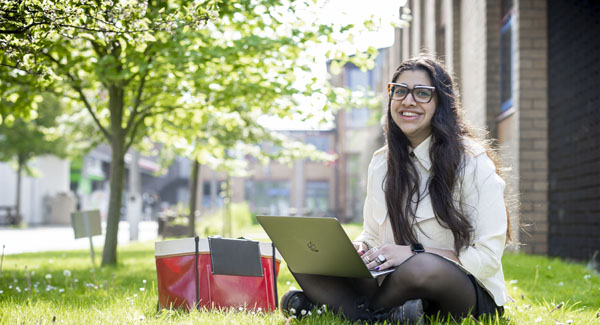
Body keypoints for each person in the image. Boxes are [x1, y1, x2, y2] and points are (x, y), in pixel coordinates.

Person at [279, 56, 511, 323]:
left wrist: (414, 254)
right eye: (399, 91)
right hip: (394, 285)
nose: (408, 101)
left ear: (441, 103)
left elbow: (487, 257)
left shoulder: (472, 162)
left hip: (460, 288)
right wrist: (360, 249)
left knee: (420, 268)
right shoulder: (381, 162)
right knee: (308, 256)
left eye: (422, 93)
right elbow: (373, 235)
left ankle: (335, 307)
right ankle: (392, 316)